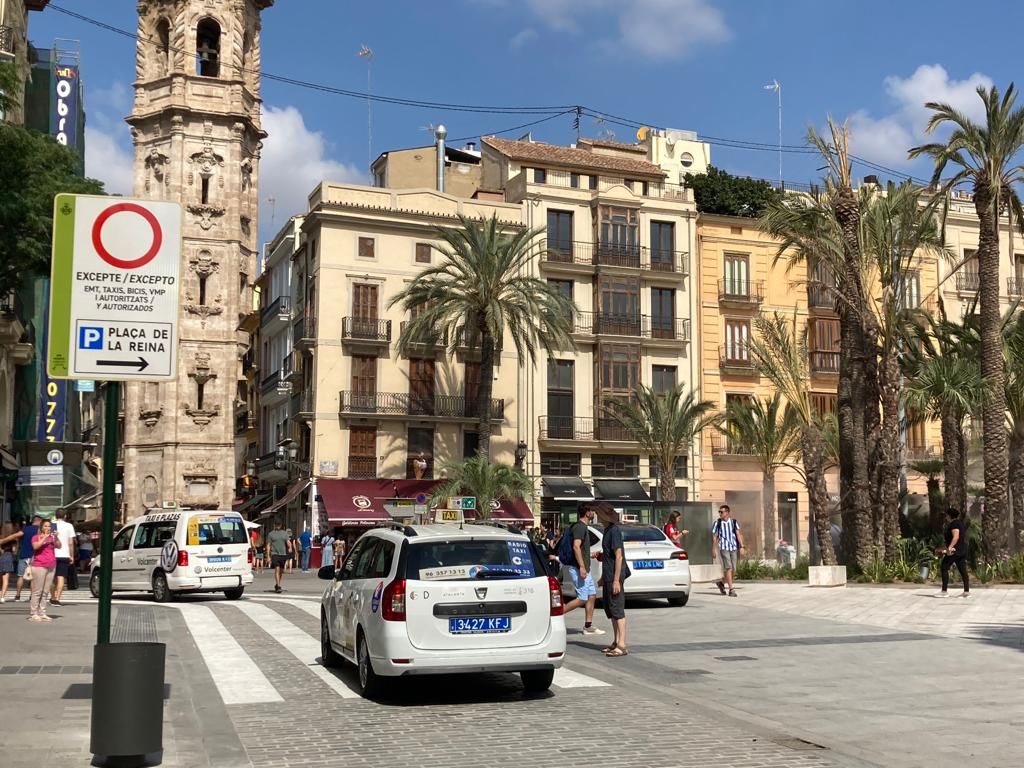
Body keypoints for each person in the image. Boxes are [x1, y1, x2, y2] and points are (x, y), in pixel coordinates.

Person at [592, 501, 629, 657]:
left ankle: (622, 644)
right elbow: (609, 557)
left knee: (618, 610)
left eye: (598, 514)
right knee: (612, 611)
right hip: (608, 576)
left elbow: (618, 556)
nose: (596, 516)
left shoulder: (614, 531)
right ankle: (616, 641)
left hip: (615, 577)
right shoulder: (607, 530)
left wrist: (615, 580)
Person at [561, 506, 604, 636]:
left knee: (591, 595)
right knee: (582, 598)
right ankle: (555, 614)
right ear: (587, 513)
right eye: (592, 511)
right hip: (579, 568)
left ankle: (588, 626)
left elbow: (581, 549)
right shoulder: (580, 527)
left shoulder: (581, 526)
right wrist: (581, 566)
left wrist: (589, 556)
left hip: (584, 567)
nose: (594, 513)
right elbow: (576, 546)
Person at [28, 519, 61, 621]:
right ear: (41, 527)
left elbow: (59, 546)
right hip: (39, 565)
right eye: (45, 526)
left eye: (49, 526)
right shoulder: (35, 537)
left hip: (51, 565)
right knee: (37, 591)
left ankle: (42, 612)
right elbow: (35, 546)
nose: (47, 528)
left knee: (46, 591)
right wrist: (44, 538)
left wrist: (56, 537)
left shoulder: (52, 537)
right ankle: (34, 613)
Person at [712, 504, 744, 597]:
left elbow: (738, 534)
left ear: (727, 513)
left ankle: (721, 583)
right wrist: (713, 549)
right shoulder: (717, 523)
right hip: (724, 547)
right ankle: (731, 589)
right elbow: (715, 537)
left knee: (734, 569)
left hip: (733, 547)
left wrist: (742, 546)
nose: (720, 513)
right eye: (719, 512)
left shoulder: (734, 522)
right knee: (728, 568)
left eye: (722, 512)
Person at [939, 508, 970, 598]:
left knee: (944, 567)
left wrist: (949, 548)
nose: (946, 517)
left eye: (947, 515)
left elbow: (956, 536)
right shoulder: (960, 523)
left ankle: (944, 591)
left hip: (955, 551)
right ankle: (966, 592)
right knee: (962, 570)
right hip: (962, 550)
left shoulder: (954, 524)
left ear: (949, 515)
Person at [51, 510, 76, 606]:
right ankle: (57, 598)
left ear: (55, 515)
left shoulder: (52, 525)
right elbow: (70, 543)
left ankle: (52, 596)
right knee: (61, 577)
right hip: (64, 554)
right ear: (65, 516)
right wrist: (71, 555)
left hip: (52, 554)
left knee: (51, 578)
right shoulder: (69, 526)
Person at [14, 515, 41, 602]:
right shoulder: (39, 531)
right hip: (35, 556)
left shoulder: (25, 529)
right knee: (33, 578)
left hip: (23, 555)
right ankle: (31, 596)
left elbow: (17, 536)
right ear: (39, 521)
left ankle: (18, 595)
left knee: (20, 576)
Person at [265, 521, 291, 593]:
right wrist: (268, 556)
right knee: (277, 569)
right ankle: (278, 586)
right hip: (274, 554)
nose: (278, 526)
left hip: (283, 554)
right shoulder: (271, 534)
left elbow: (288, 541)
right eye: (276, 524)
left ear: (281, 525)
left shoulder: (284, 533)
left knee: (281, 571)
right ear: (274, 525)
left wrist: (290, 547)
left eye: (279, 524)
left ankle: (277, 584)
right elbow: (268, 545)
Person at [0, 522, 19, 602]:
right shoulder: (14, 540)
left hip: (1, 555)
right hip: (7, 556)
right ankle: (2, 596)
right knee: (5, 579)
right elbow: (15, 551)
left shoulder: (1, 537)